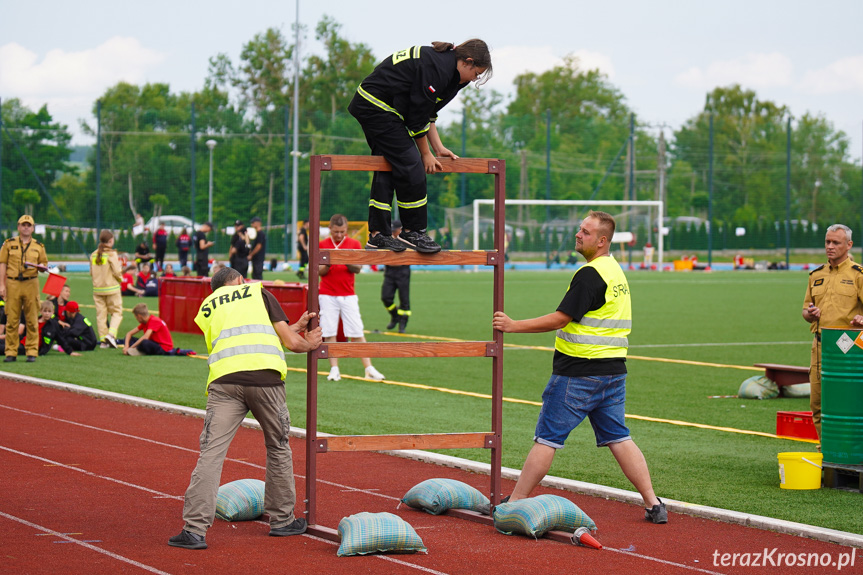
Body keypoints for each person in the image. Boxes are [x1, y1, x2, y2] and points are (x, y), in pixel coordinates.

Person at [492, 211, 667, 524]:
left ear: (601, 241)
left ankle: (514, 501)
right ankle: (654, 504)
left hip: (578, 373)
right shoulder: (615, 270)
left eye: (585, 232)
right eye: (579, 229)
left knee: (547, 438)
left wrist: (513, 325)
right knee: (620, 437)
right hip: (613, 374)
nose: (578, 234)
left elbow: (561, 318)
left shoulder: (589, 275)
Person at [168, 266, 322, 550]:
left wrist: (293, 328)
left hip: (224, 383)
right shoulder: (256, 292)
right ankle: (282, 520)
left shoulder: (207, 306)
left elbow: (242, 339)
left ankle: (194, 529)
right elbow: (290, 343)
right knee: (277, 447)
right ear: (239, 280)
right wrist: (307, 341)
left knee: (211, 454)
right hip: (265, 381)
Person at [348, 40, 492, 254]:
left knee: (388, 167)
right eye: (477, 73)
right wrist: (425, 154)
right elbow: (416, 119)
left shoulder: (453, 76)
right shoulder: (438, 68)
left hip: (383, 108)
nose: (476, 79)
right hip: (375, 106)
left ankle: (379, 235)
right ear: (467, 62)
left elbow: (428, 112)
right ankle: (413, 232)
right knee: (411, 165)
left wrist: (438, 148)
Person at [802, 223, 863, 440]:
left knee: (848, 406)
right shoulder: (815, 275)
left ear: (849, 245)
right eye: (827, 242)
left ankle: (852, 452)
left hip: (849, 347)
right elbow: (805, 309)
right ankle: (826, 454)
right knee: (817, 404)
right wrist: (810, 313)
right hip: (820, 345)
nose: (830, 246)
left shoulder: (859, 275)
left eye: (835, 242)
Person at [319, 214, 385, 381]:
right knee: (329, 331)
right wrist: (329, 261)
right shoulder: (322, 244)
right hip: (327, 293)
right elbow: (319, 271)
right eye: (336, 232)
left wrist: (343, 258)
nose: (339, 235)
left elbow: (357, 268)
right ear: (330, 229)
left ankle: (368, 367)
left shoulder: (354, 244)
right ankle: (334, 369)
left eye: (342, 231)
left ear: (346, 230)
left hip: (348, 294)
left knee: (356, 331)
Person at [0, 214, 48, 363]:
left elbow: (44, 265)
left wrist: (40, 267)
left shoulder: (38, 246)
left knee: (32, 318)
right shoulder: (9, 244)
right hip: (13, 283)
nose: (26, 227)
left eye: (29, 225)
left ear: (33, 228)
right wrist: (2, 284)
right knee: (12, 319)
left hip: (31, 283)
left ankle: (32, 351)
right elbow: (3, 264)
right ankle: (11, 352)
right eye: (23, 225)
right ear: (18, 227)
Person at [90, 230, 123, 348]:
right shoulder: (111, 254)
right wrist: (120, 279)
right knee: (117, 312)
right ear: (110, 241)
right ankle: (111, 334)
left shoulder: (93, 254)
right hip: (112, 288)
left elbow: (91, 272)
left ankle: (103, 341)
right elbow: (117, 271)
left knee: (101, 315)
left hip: (97, 289)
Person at [381, 220, 412, 333]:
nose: (394, 233)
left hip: (402, 272)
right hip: (390, 272)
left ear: (401, 229)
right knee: (386, 297)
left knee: (404, 300)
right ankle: (395, 316)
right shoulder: (387, 240)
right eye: (392, 231)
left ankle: (403, 323)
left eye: (395, 231)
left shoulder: (406, 240)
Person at [248, 216, 267, 280]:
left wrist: (251, 254)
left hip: (258, 258)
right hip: (256, 258)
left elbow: (258, 246)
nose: (252, 224)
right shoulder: (256, 234)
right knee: (255, 275)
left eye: (253, 223)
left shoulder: (260, 234)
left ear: (258, 223)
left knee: (257, 275)